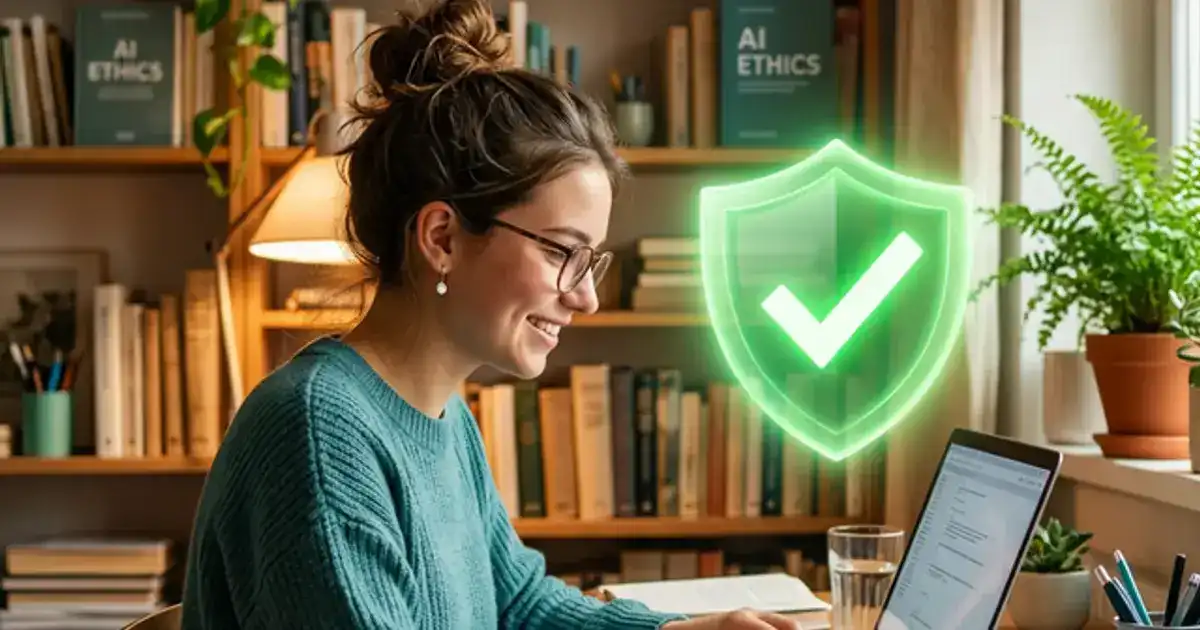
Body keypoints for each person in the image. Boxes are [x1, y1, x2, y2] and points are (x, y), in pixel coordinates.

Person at [180, 1, 798, 628]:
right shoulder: (317, 433)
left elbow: (519, 605)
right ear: (442, 237)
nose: (585, 296)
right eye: (562, 251)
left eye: (591, 260)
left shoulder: (440, 415)